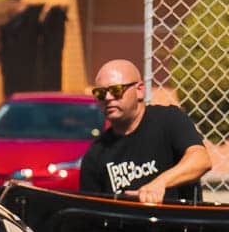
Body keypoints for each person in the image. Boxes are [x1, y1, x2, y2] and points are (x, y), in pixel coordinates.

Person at [77, 59, 211, 204]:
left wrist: (161, 183)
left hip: (177, 222)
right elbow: (92, 211)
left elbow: (201, 160)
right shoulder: (96, 153)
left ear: (139, 90)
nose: (108, 98)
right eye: (100, 93)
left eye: (116, 90)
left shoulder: (168, 119)